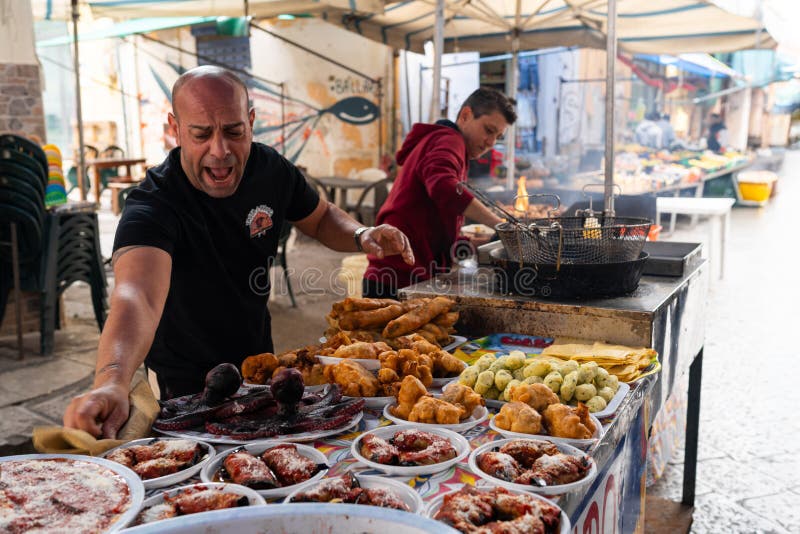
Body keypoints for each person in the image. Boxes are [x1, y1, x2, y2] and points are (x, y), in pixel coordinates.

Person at [63, 66, 413, 438]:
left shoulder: (271, 171)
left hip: (259, 371)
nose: (220, 150)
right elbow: (137, 296)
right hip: (184, 389)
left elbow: (321, 217)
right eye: (200, 134)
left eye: (234, 132)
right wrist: (112, 379)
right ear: (175, 129)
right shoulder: (154, 203)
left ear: (250, 122)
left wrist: (361, 233)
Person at [363, 87, 516, 300]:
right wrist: (500, 224)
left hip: (400, 276)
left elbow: (434, 221)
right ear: (465, 115)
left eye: (498, 137)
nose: (491, 143)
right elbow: (443, 187)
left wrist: (475, 245)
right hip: (398, 279)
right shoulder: (449, 140)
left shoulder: (444, 143)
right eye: (489, 130)